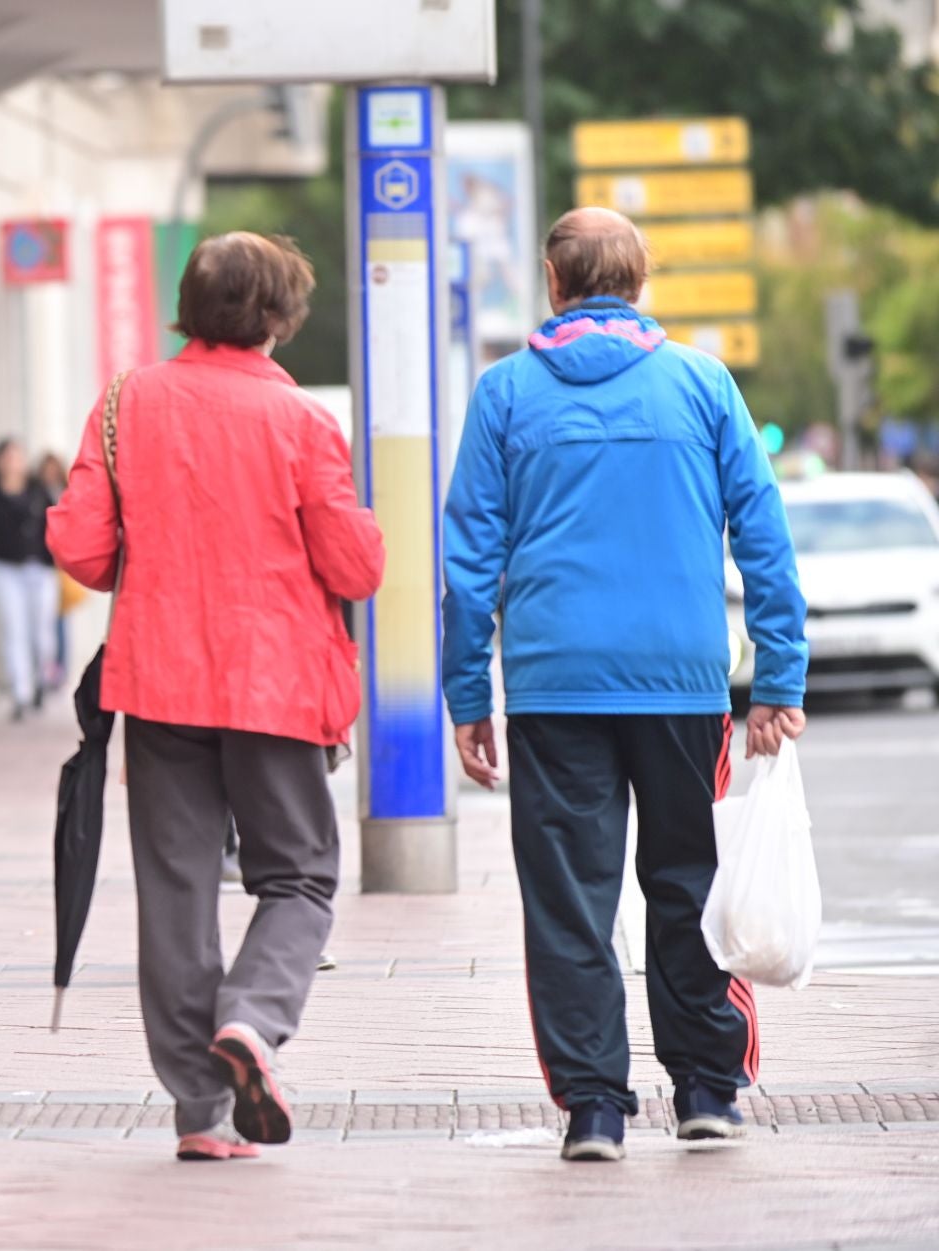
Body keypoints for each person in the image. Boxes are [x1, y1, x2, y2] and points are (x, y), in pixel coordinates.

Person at [442, 207, 809, 1163]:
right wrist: (778, 674)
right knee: (689, 883)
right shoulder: (700, 384)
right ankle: (706, 1092)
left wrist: (467, 694)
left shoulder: (506, 394)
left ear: (553, 284)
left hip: (555, 685)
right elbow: (763, 536)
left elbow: (469, 557)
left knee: (569, 898)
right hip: (683, 683)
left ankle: (594, 1108)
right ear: (639, 285)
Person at [48, 232, 384, 1162]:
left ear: (188, 308)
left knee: (177, 889)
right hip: (275, 682)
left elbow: (80, 547)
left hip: (158, 679)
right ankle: (252, 1017)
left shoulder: (126, 402)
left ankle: (200, 1111)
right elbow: (355, 563)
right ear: (276, 318)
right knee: (301, 874)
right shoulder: (304, 423)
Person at [0, 438, 59, 720]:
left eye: (17, 456)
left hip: (39, 569)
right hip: (3, 570)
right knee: (13, 630)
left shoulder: (38, 490)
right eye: (7, 456)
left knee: (41, 632)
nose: (13, 461)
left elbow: (57, 523)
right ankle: (20, 693)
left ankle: (40, 681)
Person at [39, 451, 79, 681]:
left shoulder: (67, 493)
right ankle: (49, 668)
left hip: (61, 567)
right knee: (47, 622)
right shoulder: (37, 493)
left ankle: (60, 667)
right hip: (45, 565)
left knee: (62, 621)